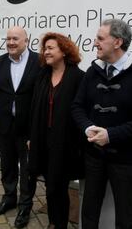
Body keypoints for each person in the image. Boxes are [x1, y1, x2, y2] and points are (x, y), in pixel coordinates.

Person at [72, 19, 132, 229]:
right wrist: (87, 127)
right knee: (89, 211)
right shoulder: (93, 72)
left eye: (100, 38)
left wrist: (110, 135)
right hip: (93, 156)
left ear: (117, 42)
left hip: (126, 161)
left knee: (126, 216)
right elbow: (77, 107)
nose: (94, 43)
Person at [28, 32, 85, 229]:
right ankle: (54, 220)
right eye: (45, 49)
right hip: (43, 140)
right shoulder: (43, 75)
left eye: (51, 48)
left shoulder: (78, 77)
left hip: (65, 143)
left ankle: (59, 223)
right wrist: (31, 137)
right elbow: (34, 107)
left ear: (64, 50)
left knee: (58, 186)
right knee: (49, 184)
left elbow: (81, 112)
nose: (46, 52)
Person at [0, 26, 40, 228]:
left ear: (26, 40)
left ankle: (25, 206)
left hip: (28, 129)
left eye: (15, 39)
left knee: (28, 170)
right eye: (8, 38)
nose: (10, 42)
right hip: (4, 126)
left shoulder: (39, 62)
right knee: (7, 165)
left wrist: (37, 131)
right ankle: (9, 198)